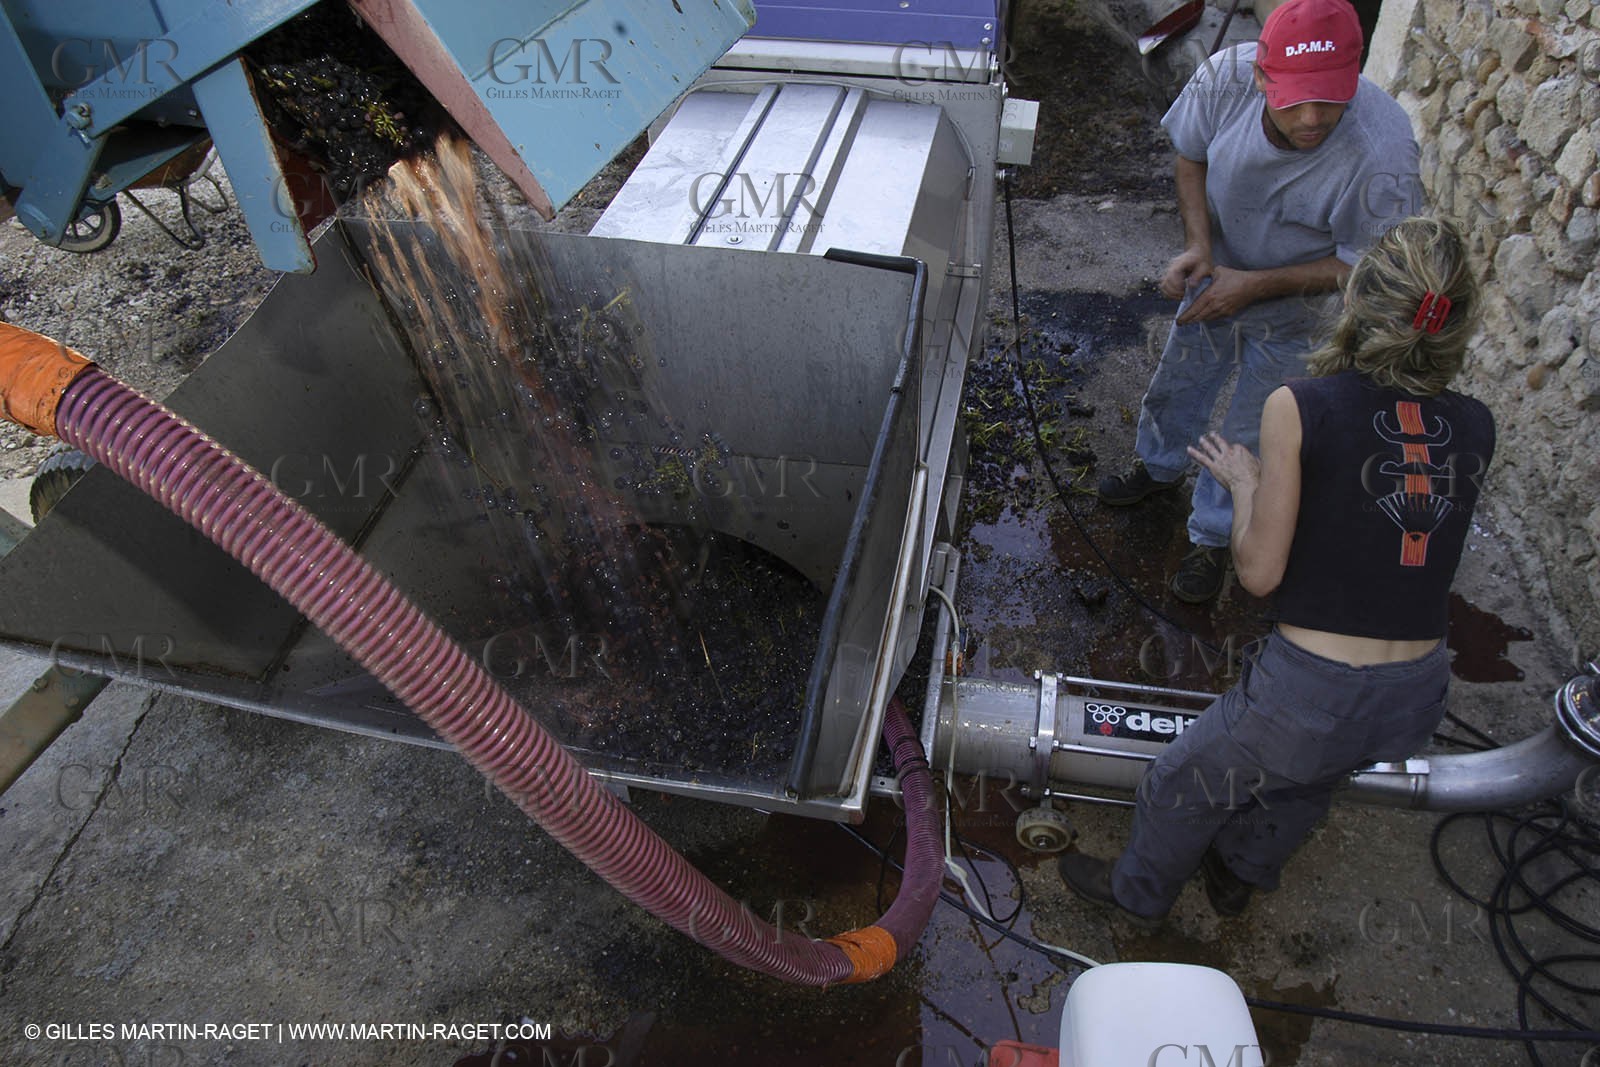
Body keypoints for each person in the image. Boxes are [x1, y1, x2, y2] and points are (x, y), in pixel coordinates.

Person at [1059, 216, 1495, 924]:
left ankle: (1138, 896)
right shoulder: (1478, 422)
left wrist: (1245, 483)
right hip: (1416, 694)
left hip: (1311, 692)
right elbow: (1390, 520)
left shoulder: (1302, 404)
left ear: (1356, 306)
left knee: (1181, 781)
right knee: (1308, 784)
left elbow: (1260, 572)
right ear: (1456, 327)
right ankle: (1240, 872)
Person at [1098, 0, 1423, 604]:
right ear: (1262, 76)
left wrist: (1253, 286)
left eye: (1330, 98)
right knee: (1181, 378)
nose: (1312, 117)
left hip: (1307, 304)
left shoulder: (1385, 154)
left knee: (1257, 422)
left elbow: (1366, 265)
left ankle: (1215, 535)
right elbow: (1190, 155)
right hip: (1218, 270)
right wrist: (1199, 246)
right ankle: (1158, 466)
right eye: (1294, 98)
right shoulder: (1224, 76)